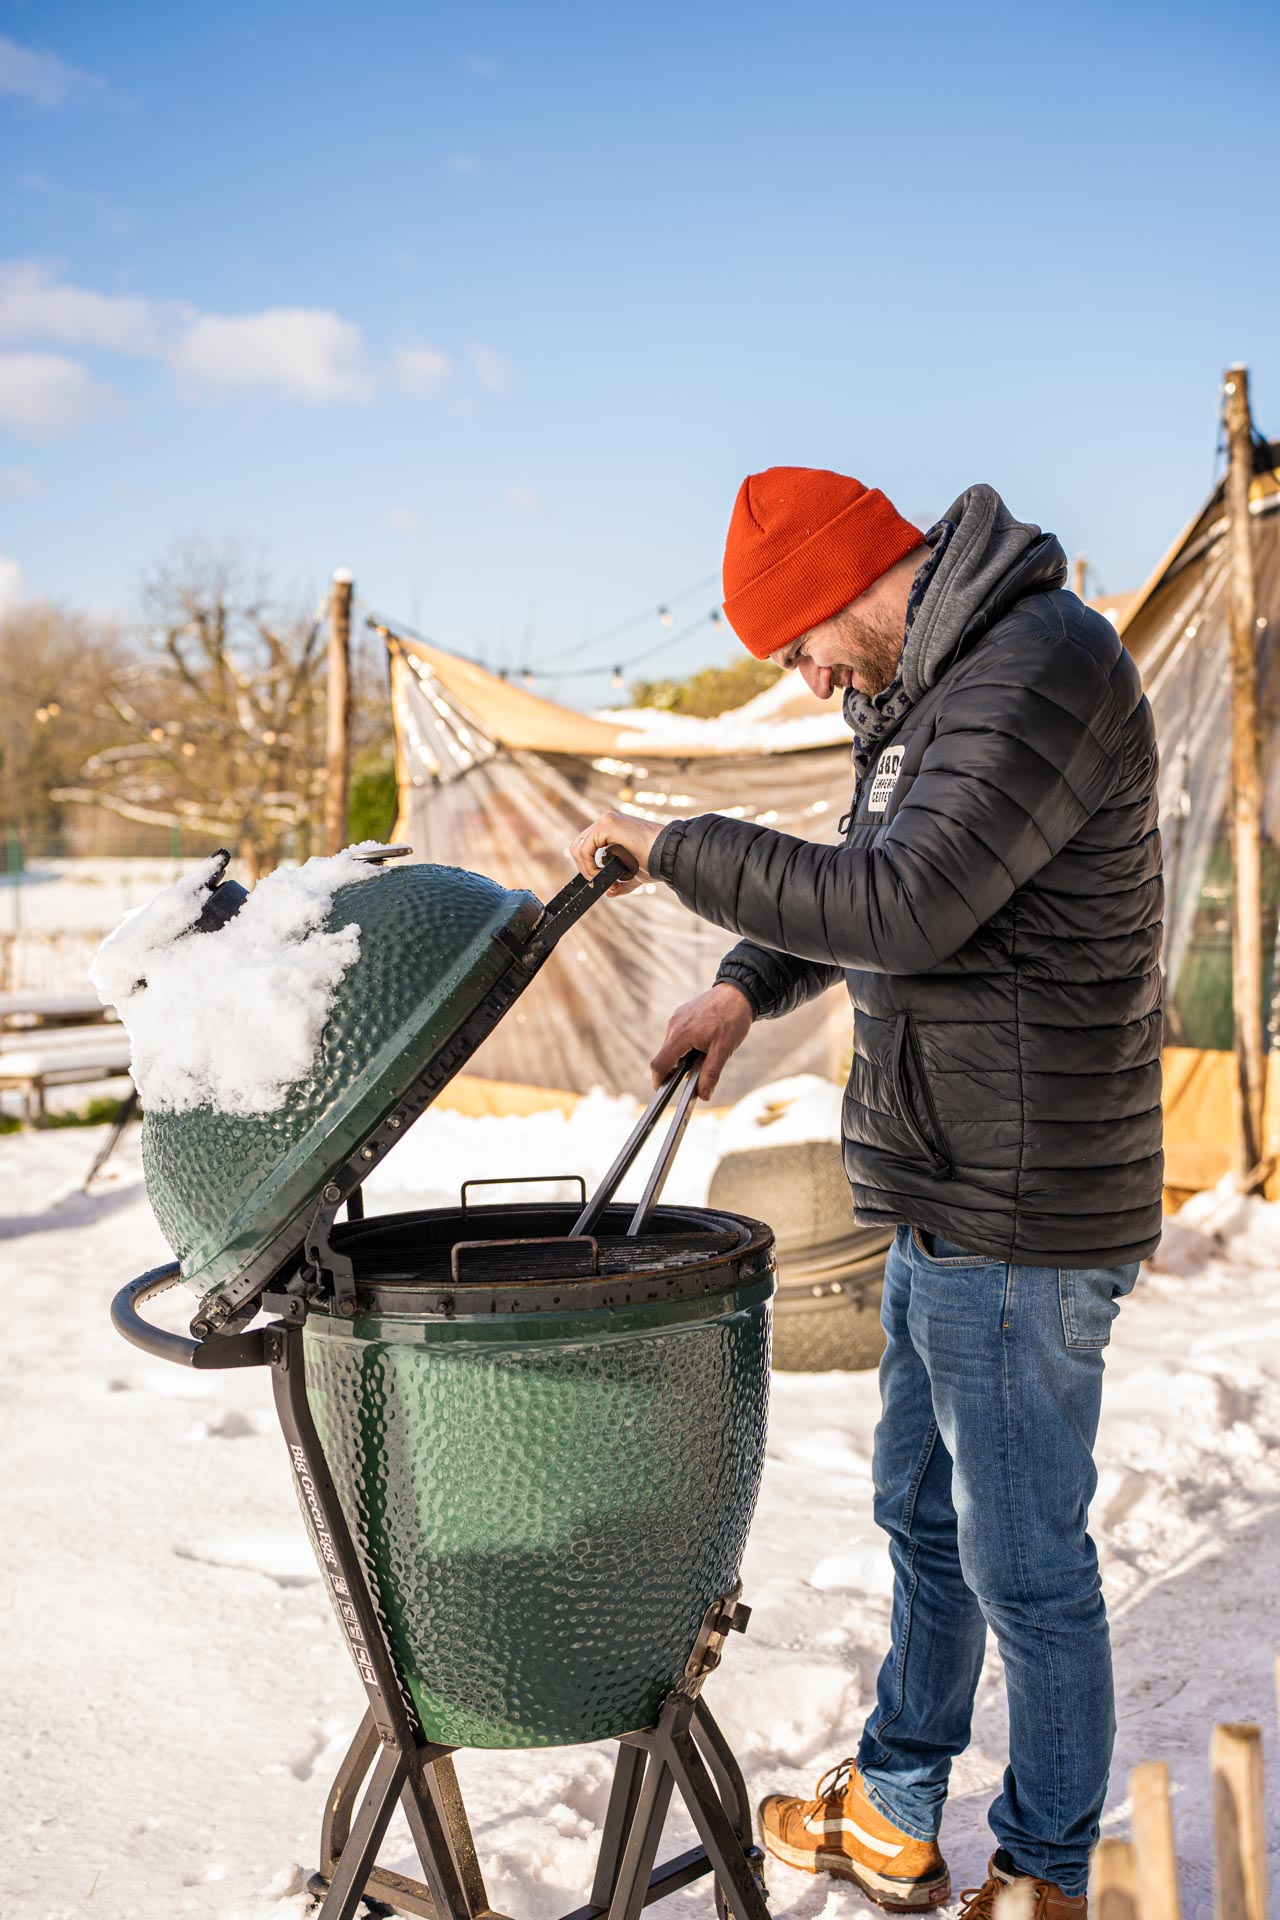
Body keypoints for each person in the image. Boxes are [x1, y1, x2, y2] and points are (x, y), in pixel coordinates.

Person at [568, 467, 1163, 1919]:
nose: (797, 671)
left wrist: (675, 846)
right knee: (924, 1516)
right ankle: (898, 1803)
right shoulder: (926, 689)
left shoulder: (1040, 667)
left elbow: (905, 907)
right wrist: (741, 986)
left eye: (797, 639)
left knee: (1026, 1560)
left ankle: (1043, 1872)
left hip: (1027, 1208)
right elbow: (865, 875)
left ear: (857, 579)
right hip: (944, 1180)